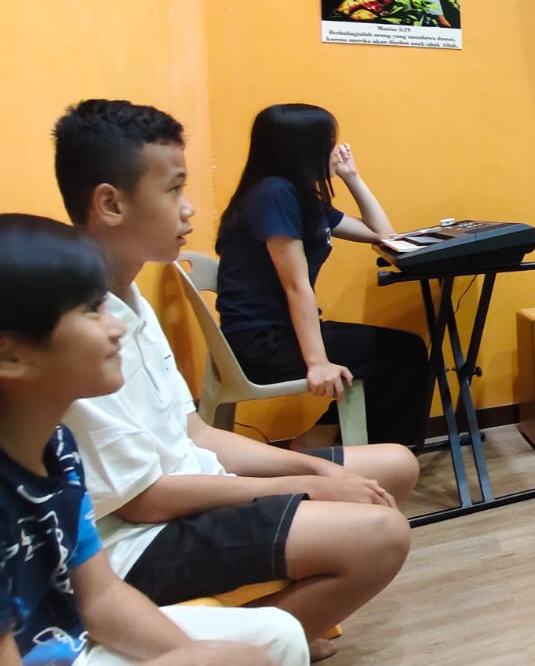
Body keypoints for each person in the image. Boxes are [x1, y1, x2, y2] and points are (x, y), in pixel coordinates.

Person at [53, 99, 415, 660]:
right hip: (140, 539)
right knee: (382, 534)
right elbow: (144, 501)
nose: (189, 209)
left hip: (194, 482)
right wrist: (303, 481)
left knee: (395, 465)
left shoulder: (130, 301)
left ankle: (268, 628)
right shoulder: (80, 333)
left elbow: (195, 432)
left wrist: (313, 469)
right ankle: (246, 643)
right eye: (174, 189)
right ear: (111, 203)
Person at [0, 213, 306, 666]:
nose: (117, 327)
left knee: (277, 637)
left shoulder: (58, 448)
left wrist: (195, 654)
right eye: (91, 310)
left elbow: (101, 598)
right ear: (10, 355)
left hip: (72, 640)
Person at [215, 103, 434, 452]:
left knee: (401, 350)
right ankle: (371, 452)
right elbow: (296, 285)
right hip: (263, 344)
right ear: (303, 148)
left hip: (281, 333)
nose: (336, 151)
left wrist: (352, 178)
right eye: (329, 143)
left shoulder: (299, 197)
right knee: (404, 353)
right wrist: (317, 362)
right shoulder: (274, 194)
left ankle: (328, 438)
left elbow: (383, 234)